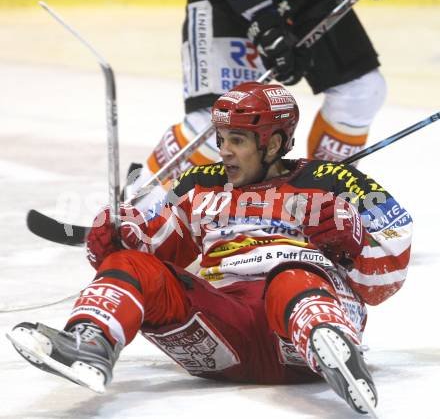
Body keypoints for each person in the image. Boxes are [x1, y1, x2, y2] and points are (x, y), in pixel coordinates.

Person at [7, 82, 411, 415]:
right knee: (130, 263)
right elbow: (158, 251)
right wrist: (122, 238)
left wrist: (351, 240)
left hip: (295, 336)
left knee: (291, 278)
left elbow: (387, 277)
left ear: (273, 144)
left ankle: (332, 348)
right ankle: (90, 343)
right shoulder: (200, 184)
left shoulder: (335, 182)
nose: (224, 151)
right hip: (223, 335)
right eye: (221, 138)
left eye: (237, 140)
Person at [129, 0, 389, 208]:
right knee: (216, 121)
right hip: (228, 1)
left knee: (363, 92)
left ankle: (319, 205)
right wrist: (262, 19)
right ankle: (144, 208)